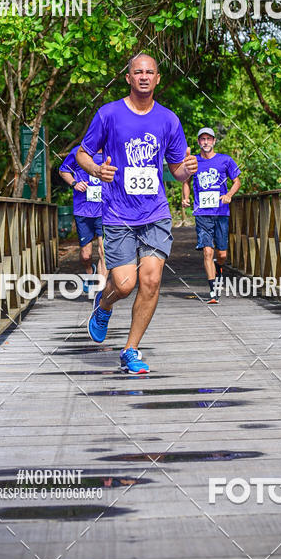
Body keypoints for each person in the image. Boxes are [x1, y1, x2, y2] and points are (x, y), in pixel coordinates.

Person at [76, 53, 198, 374]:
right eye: (137, 72)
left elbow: (176, 170)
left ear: (158, 79)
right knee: (125, 284)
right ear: (128, 78)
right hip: (118, 214)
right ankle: (104, 305)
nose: (144, 76)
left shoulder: (169, 120)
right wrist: (96, 169)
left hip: (155, 213)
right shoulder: (109, 114)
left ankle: (131, 349)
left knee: (151, 280)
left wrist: (185, 171)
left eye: (150, 72)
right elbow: (82, 154)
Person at [182, 128, 241, 303]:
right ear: (199, 142)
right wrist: (185, 198)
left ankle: (219, 267)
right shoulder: (194, 161)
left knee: (221, 254)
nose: (205, 142)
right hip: (202, 213)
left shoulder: (225, 160)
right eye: (202, 139)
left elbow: (237, 181)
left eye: (209, 139)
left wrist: (229, 194)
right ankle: (213, 290)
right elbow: (185, 181)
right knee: (207, 251)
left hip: (221, 212)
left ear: (214, 141)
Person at [59, 147, 106, 294]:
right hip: (83, 209)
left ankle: (100, 288)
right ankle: (89, 272)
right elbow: (63, 171)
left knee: (103, 250)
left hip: (105, 210)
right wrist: (75, 183)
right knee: (86, 255)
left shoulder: (112, 150)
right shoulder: (79, 152)